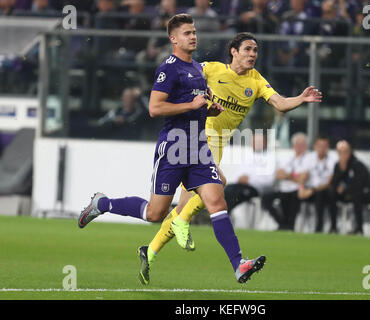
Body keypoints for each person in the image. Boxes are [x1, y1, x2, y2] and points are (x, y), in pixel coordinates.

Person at [78, 14, 266, 286]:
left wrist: (208, 108)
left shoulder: (200, 71)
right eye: (187, 33)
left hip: (199, 147)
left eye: (194, 32)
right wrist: (190, 106)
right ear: (173, 39)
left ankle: (239, 264)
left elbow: (198, 104)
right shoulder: (169, 68)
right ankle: (102, 204)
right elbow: (155, 108)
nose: (193, 36)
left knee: (217, 200)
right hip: (175, 147)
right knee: (154, 214)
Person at [142, 32, 321, 285]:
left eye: (255, 50)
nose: (252, 55)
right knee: (218, 184)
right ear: (234, 52)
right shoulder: (211, 69)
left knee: (183, 205)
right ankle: (212, 244)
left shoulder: (256, 80)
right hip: (198, 136)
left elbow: (279, 103)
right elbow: (183, 76)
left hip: (218, 142)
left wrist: (301, 99)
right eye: (247, 49)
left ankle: (149, 251)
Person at [328, 140, 370, 235]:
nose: (342, 155)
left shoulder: (357, 165)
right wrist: (341, 171)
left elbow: (358, 185)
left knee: (356, 195)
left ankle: (359, 228)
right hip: (348, 193)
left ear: (350, 152)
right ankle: (333, 227)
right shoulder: (337, 165)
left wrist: (344, 190)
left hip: (367, 194)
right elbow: (334, 183)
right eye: (340, 152)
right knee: (331, 194)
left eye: (345, 152)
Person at [262, 132, 308, 231]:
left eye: (301, 145)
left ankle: (289, 226)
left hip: (296, 190)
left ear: (305, 146)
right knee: (266, 199)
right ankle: (282, 223)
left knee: (293, 202)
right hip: (283, 189)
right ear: (293, 146)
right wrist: (294, 175)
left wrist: (287, 175)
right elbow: (278, 175)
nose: (299, 147)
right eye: (297, 144)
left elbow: (302, 179)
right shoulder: (287, 158)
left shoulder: (308, 159)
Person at [223, 133, 275, 213]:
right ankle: (222, 215)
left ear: (265, 143)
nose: (256, 144)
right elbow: (237, 174)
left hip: (255, 188)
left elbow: (269, 181)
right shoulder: (248, 157)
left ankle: (225, 215)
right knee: (226, 190)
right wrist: (239, 179)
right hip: (240, 185)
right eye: (254, 142)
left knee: (235, 195)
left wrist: (249, 180)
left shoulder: (270, 159)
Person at [298, 136, 338, 233]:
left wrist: (314, 190)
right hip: (311, 191)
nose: (322, 148)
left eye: (325, 146)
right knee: (291, 196)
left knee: (328, 194)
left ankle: (330, 226)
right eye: (320, 146)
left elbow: (331, 181)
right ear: (315, 146)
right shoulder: (309, 158)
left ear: (328, 147)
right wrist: (301, 189)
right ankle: (289, 225)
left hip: (326, 190)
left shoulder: (333, 159)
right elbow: (303, 176)